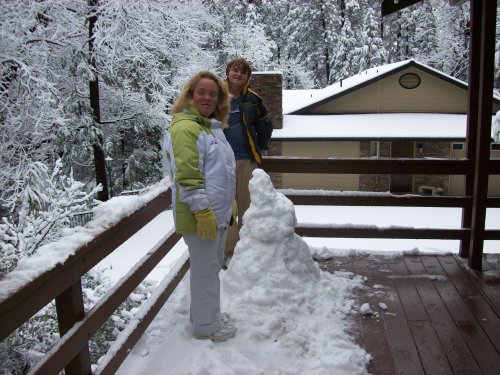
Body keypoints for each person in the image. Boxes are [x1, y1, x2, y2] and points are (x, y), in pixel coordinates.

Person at [163, 70, 237, 341]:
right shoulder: (186, 128)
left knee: (209, 268)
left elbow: (221, 172)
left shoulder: (209, 127)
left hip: (215, 214)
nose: (207, 97)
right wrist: (203, 211)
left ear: (219, 100)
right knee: (206, 272)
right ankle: (207, 328)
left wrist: (229, 203)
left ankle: (205, 316)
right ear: (190, 94)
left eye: (213, 94)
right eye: (202, 92)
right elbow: (187, 175)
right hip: (200, 216)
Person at [223, 57, 273, 267]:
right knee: (225, 207)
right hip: (221, 164)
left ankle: (244, 250)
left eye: (243, 72)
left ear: (247, 77)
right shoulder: (216, 96)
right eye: (235, 70)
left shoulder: (253, 100)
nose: (238, 74)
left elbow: (266, 126)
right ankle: (228, 250)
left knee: (244, 207)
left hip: (246, 161)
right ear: (228, 72)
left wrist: (257, 148)